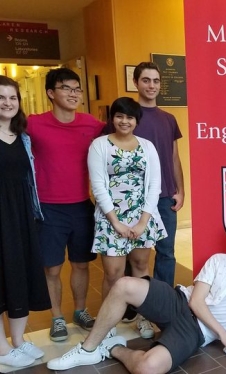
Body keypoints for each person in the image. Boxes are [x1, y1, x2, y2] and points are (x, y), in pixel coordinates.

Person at [47, 221, 226, 373]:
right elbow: (196, 301)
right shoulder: (219, 261)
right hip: (179, 302)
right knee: (125, 284)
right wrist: (225, 336)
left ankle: (110, 348)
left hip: (195, 332)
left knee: (148, 368)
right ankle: (87, 349)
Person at [27, 68, 104, 341]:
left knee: (82, 264)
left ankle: (80, 311)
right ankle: (57, 317)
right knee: (52, 268)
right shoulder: (33, 124)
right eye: (66, 88)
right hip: (48, 208)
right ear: (51, 93)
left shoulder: (91, 124)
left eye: (77, 89)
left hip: (82, 205)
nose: (73, 94)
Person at [88, 97, 166, 307]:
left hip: (142, 215)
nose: (124, 121)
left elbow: (154, 186)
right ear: (112, 118)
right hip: (111, 218)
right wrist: (116, 223)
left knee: (141, 266)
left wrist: (142, 222)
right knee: (113, 274)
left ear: (137, 120)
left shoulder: (147, 146)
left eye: (130, 117)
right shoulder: (99, 145)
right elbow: (98, 187)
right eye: (119, 116)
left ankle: (144, 317)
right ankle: (108, 324)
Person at [0, 76, 52, 368]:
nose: (8, 103)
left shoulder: (24, 137)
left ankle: (18, 340)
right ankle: (2, 349)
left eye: (12, 97)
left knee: (21, 274)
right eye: (1, 97)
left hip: (21, 216)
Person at [133, 61, 185, 287]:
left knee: (166, 252)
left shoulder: (169, 119)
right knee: (134, 253)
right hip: (135, 197)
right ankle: (134, 302)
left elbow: (174, 157)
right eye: (146, 80)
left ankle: (163, 299)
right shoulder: (127, 117)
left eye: (155, 81)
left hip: (164, 196)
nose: (151, 85)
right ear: (136, 83)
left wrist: (180, 190)